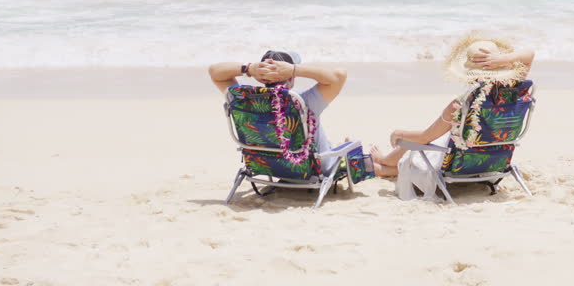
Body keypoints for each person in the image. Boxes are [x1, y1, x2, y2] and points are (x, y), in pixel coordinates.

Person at [370, 34, 534, 200]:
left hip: (460, 165)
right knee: (434, 141)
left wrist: (399, 133)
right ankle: (385, 168)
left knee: (422, 141)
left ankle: (384, 161)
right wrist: (503, 58)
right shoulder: (515, 92)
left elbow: (424, 136)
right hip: (494, 163)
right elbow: (530, 54)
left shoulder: (462, 104)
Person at [208, 51, 347, 172]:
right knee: (349, 147)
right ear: (291, 77)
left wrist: (249, 69)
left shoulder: (243, 100)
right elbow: (339, 75)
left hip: (270, 168)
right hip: (314, 170)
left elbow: (214, 72)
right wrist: (294, 69)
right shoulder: (302, 101)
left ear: (261, 77)